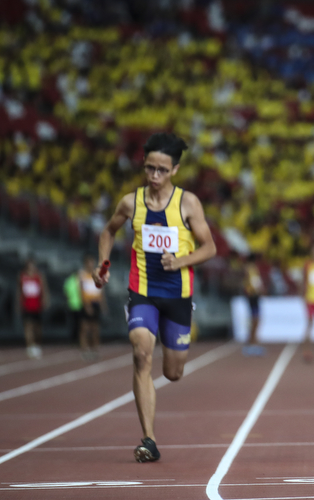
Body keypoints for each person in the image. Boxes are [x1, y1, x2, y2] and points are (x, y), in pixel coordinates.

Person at [93, 132, 216, 463]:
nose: (155, 176)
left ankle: (167, 348)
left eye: (162, 170)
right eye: (150, 168)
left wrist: (180, 261)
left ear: (175, 170)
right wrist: (102, 263)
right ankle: (149, 439)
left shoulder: (187, 203)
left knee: (173, 373)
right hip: (142, 290)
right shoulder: (130, 202)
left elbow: (210, 247)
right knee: (140, 354)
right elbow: (108, 231)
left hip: (177, 295)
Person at [18, 258, 49, 359]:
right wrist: (18, 304)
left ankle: (36, 344)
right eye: (30, 265)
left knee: (37, 328)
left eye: (33, 265)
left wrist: (45, 300)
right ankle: (30, 346)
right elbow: (19, 292)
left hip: (37, 306)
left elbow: (44, 290)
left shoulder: (39, 276)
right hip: (26, 305)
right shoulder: (22, 276)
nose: (32, 267)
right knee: (28, 326)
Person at [79, 255, 107, 360]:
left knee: (95, 328)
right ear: (85, 263)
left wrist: (103, 305)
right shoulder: (82, 274)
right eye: (89, 262)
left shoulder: (98, 274)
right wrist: (86, 305)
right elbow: (81, 291)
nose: (91, 264)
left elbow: (101, 291)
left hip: (96, 303)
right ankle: (85, 350)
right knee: (85, 328)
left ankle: (95, 349)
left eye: (92, 262)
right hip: (87, 302)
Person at [242, 253, 266, 356]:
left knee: (255, 319)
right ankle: (252, 342)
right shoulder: (250, 268)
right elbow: (253, 282)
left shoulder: (250, 268)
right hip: (253, 295)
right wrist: (259, 289)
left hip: (253, 295)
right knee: (255, 319)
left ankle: (252, 341)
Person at [63, 269, 83, 344]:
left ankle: (76, 338)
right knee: (76, 323)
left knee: (77, 323)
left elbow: (66, 293)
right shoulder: (77, 280)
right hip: (76, 305)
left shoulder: (69, 280)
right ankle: (76, 338)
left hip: (74, 304)